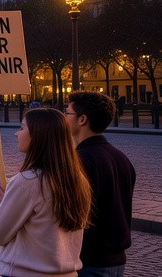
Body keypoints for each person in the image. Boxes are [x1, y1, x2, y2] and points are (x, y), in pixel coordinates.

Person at [0, 107, 92, 277]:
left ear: (38, 136)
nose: (17, 134)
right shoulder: (78, 181)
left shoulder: (27, 182)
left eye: (22, 128)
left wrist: (1, 205)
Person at [67, 91, 136, 277]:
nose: (64, 118)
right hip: (117, 259)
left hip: (89, 260)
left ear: (82, 119)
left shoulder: (79, 160)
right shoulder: (121, 157)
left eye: (67, 113)